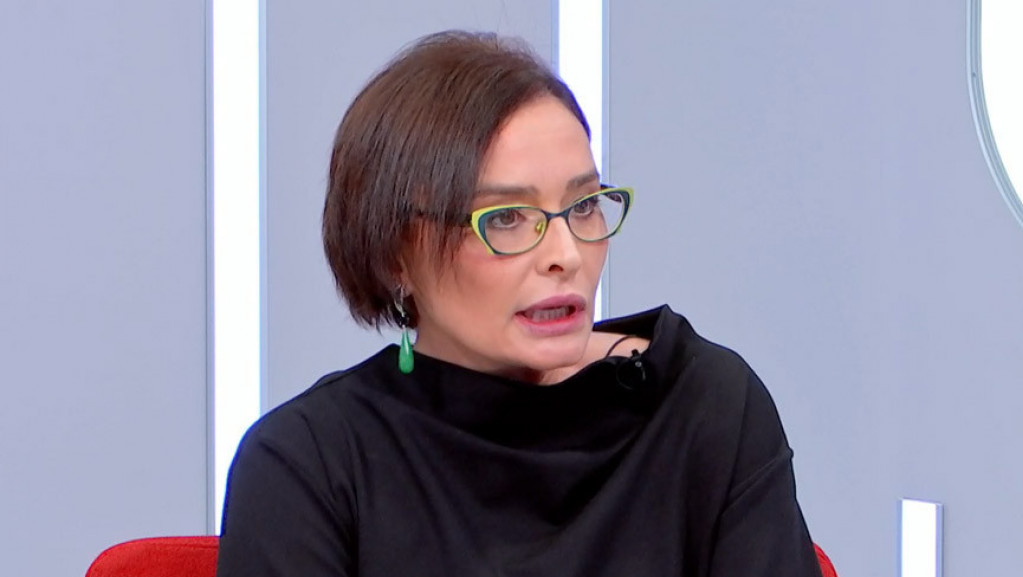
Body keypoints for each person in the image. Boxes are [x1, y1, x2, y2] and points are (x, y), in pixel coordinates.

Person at [216, 30, 823, 577]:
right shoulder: (308, 463)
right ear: (396, 252)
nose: (566, 254)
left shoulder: (707, 406)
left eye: (584, 206)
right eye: (506, 217)